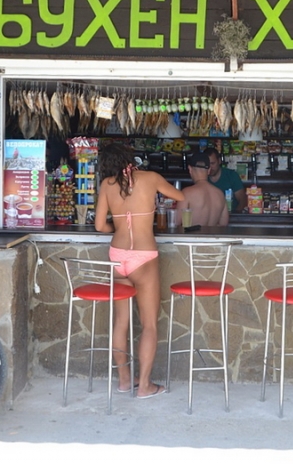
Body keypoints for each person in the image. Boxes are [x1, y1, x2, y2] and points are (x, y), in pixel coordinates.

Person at [94, 142, 185, 399]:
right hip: (143, 256)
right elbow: (180, 197)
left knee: (121, 322)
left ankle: (125, 381)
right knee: (149, 325)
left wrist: (118, 228)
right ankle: (144, 386)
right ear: (129, 157)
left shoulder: (107, 185)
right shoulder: (150, 178)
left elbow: (100, 226)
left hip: (117, 255)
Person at [179, 152, 229, 227]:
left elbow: (175, 223)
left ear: (190, 169)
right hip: (213, 234)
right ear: (209, 170)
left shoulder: (187, 193)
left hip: (192, 234)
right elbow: (223, 225)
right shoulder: (220, 194)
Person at [203, 147, 247, 213]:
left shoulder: (231, 175)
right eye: (207, 164)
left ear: (219, 161)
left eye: (212, 163)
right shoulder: (202, 178)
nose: (210, 167)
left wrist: (235, 215)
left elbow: (242, 200)